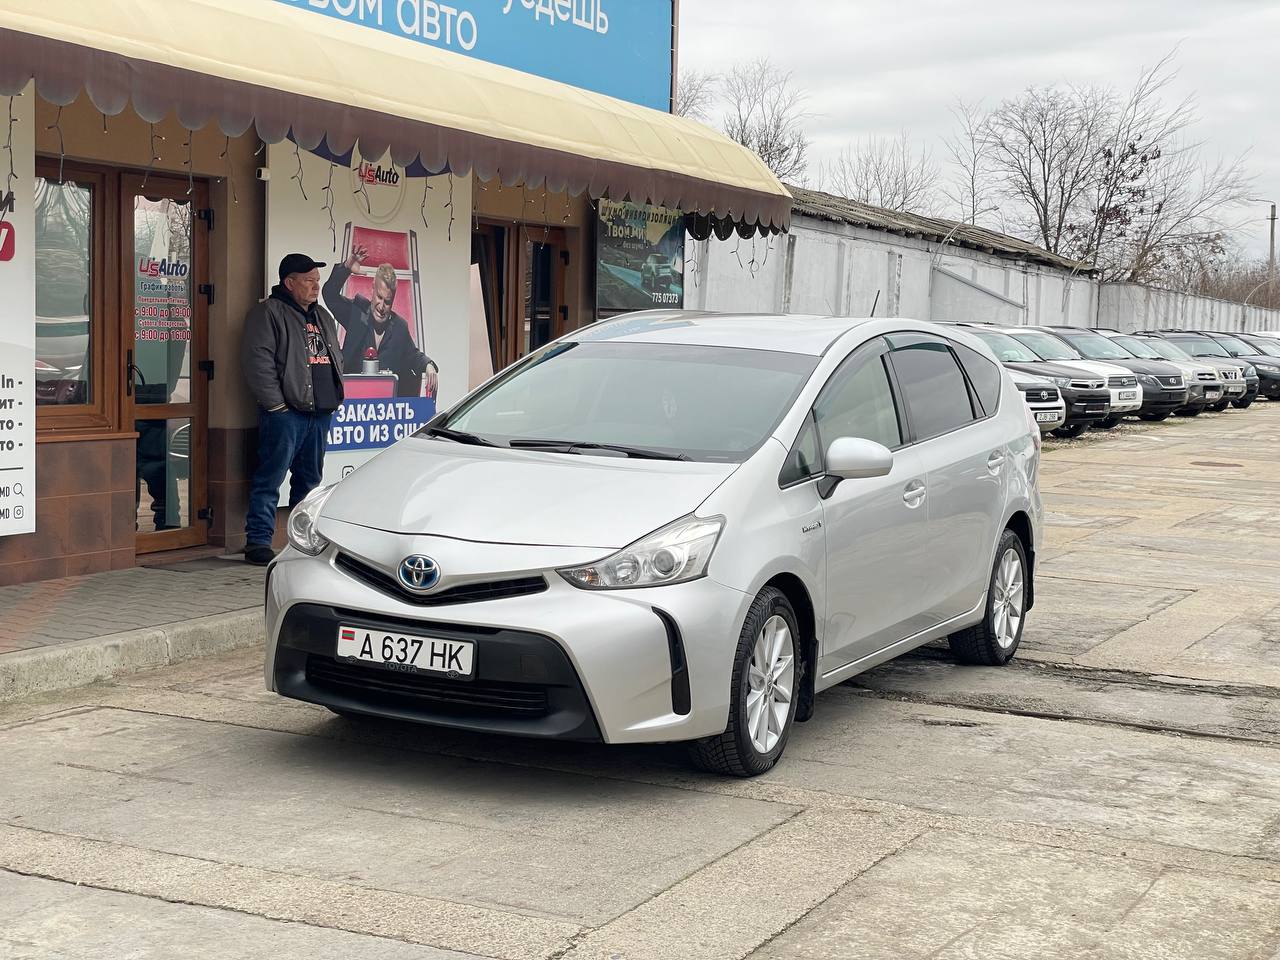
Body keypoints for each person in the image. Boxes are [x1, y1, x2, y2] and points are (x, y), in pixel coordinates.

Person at [241, 253, 345, 566]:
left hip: (320, 414)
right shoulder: (268, 313)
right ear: (290, 282)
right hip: (286, 415)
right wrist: (277, 406)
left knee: (309, 483)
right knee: (270, 479)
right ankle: (258, 542)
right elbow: (257, 362)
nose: (316, 286)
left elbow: (335, 358)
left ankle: (302, 543)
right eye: (309, 280)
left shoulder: (322, 316)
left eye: (317, 280)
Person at [323, 244, 438, 398]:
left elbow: (413, 355)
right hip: (351, 406)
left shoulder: (399, 327)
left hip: (384, 411)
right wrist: (346, 267)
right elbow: (329, 294)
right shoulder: (356, 312)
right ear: (373, 289)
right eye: (379, 297)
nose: (382, 306)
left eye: (388, 301)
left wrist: (429, 365)